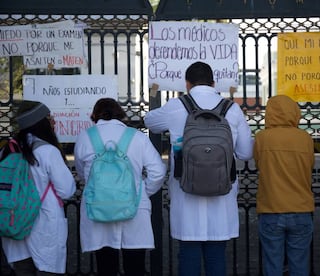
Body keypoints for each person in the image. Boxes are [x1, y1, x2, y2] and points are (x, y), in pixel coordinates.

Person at [144, 61, 253, 276]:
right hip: (222, 195)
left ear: (187, 84)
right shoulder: (231, 109)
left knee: (188, 253)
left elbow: (149, 121)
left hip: (186, 194)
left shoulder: (177, 106)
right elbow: (245, 153)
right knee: (216, 255)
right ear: (214, 83)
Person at [74, 98, 166, 276]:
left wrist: (99, 190)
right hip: (134, 209)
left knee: (105, 265)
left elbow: (82, 171)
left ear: (95, 115)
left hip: (98, 207)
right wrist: (141, 191)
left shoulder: (85, 136)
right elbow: (158, 171)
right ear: (120, 114)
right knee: (135, 265)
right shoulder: (138, 137)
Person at [1, 100, 76, 275]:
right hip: (44, 224)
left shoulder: (7, 149)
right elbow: (66, 190)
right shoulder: (47, 151)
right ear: (39, 123)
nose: (53, 122)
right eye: (49, 118)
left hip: (13, 221)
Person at [253, 95, 315, 276]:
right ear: (295, 112)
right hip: (301, 208)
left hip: (271, 208)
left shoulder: (262, 138)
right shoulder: (305, 138)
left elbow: (259, 164)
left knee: (273, 264)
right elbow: (310, 165)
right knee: (300, 264)